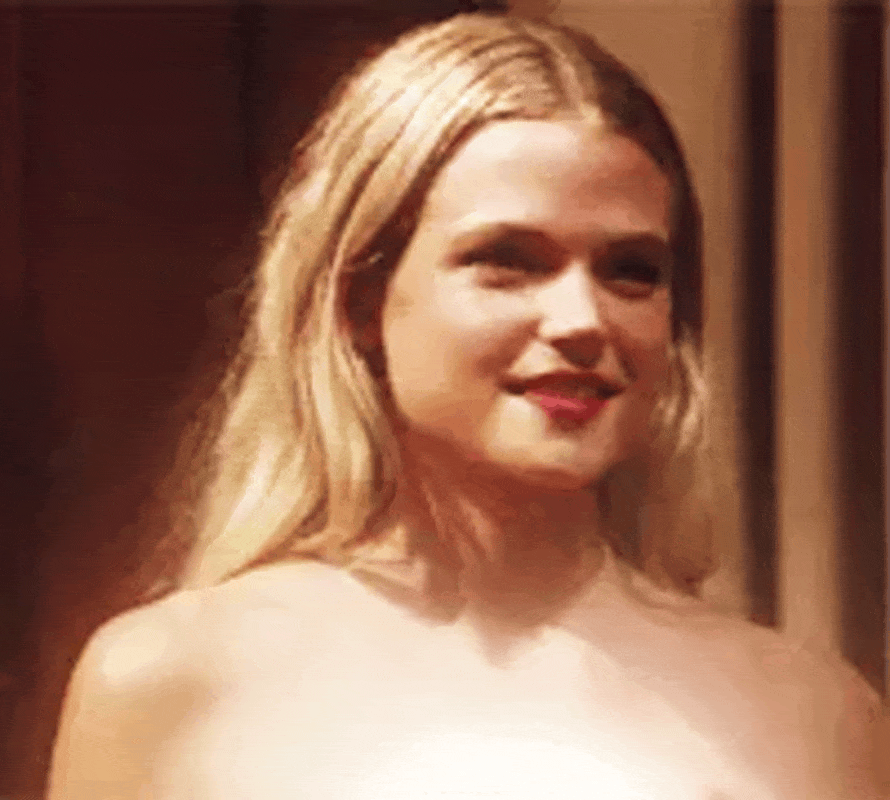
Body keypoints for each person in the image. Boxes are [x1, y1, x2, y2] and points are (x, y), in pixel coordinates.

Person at [47, 12, 886, 799]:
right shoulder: (175, 681)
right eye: (509, 261)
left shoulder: (812, 713)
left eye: (631, 271)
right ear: (360, 300)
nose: (583, 320)